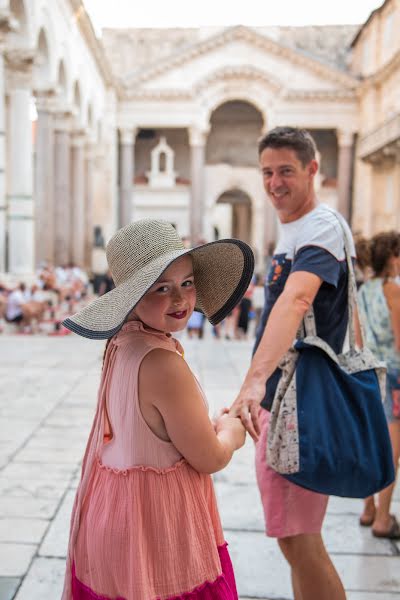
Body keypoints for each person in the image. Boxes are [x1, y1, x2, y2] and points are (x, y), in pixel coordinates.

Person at [61, 218, 254, 600]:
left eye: (186, 283)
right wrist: (230, 430)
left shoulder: (121, 346)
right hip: (157, 530)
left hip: (113, 525)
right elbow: (209, 456)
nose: (180, 299)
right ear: (131, 297)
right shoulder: (163, 365)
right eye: (160, 288)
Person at [230, 127, 353, 600]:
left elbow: (298, 299)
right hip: (286, 402)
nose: (274, 182)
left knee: (300, 539)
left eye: (286, 171)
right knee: (294, 538)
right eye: (266, 172)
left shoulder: (320, 226)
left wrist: (253, 381)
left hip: (299, 403)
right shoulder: (296, 230)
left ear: (312, 169)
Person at [356, 232, 400, 539]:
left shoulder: (362, 291)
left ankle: (368, 508)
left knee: (371, 445)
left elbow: (358, 341)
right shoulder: (391, 292)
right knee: (390, 451)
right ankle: (384, 518)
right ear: (392, 258)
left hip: (369, 373)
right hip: (395, 375)